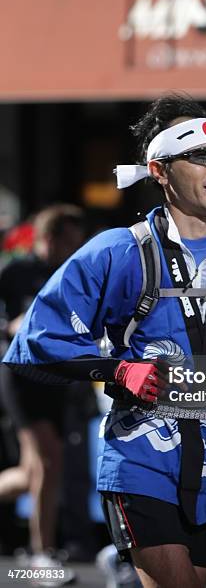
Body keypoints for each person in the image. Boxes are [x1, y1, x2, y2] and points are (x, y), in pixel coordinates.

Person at [3, 93, 206, 588]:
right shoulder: (117, 251)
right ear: (160, 170)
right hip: (140, 457)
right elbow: (39, 338)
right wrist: (117, 370)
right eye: (199, 157)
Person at [0, 204, 87, 582]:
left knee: (36, 470)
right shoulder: (14, 271)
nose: (74, 250)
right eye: (69, 242)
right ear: (49, 238)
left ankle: (41, 554)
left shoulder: (69, 276)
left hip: (54, 379)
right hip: (18, 375)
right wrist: (13, 326)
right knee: (48, 460)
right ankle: (40, 555)